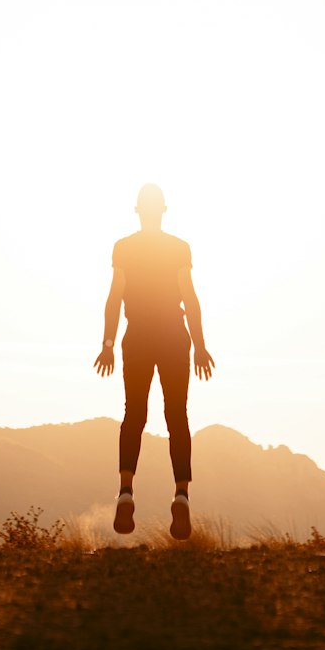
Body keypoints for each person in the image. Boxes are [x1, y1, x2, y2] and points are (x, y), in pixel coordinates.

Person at [94, 183, 214, 539]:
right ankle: (181, 495)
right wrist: (201, 345)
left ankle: (126, 491)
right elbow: (190, 298)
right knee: (177, 415)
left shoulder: (124, 249)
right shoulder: (178, 249)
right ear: (164, 209)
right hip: (175, 337)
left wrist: (108, 343)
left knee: (134, 414)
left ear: (136, 210)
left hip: (138, 337)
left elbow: (114, 298)